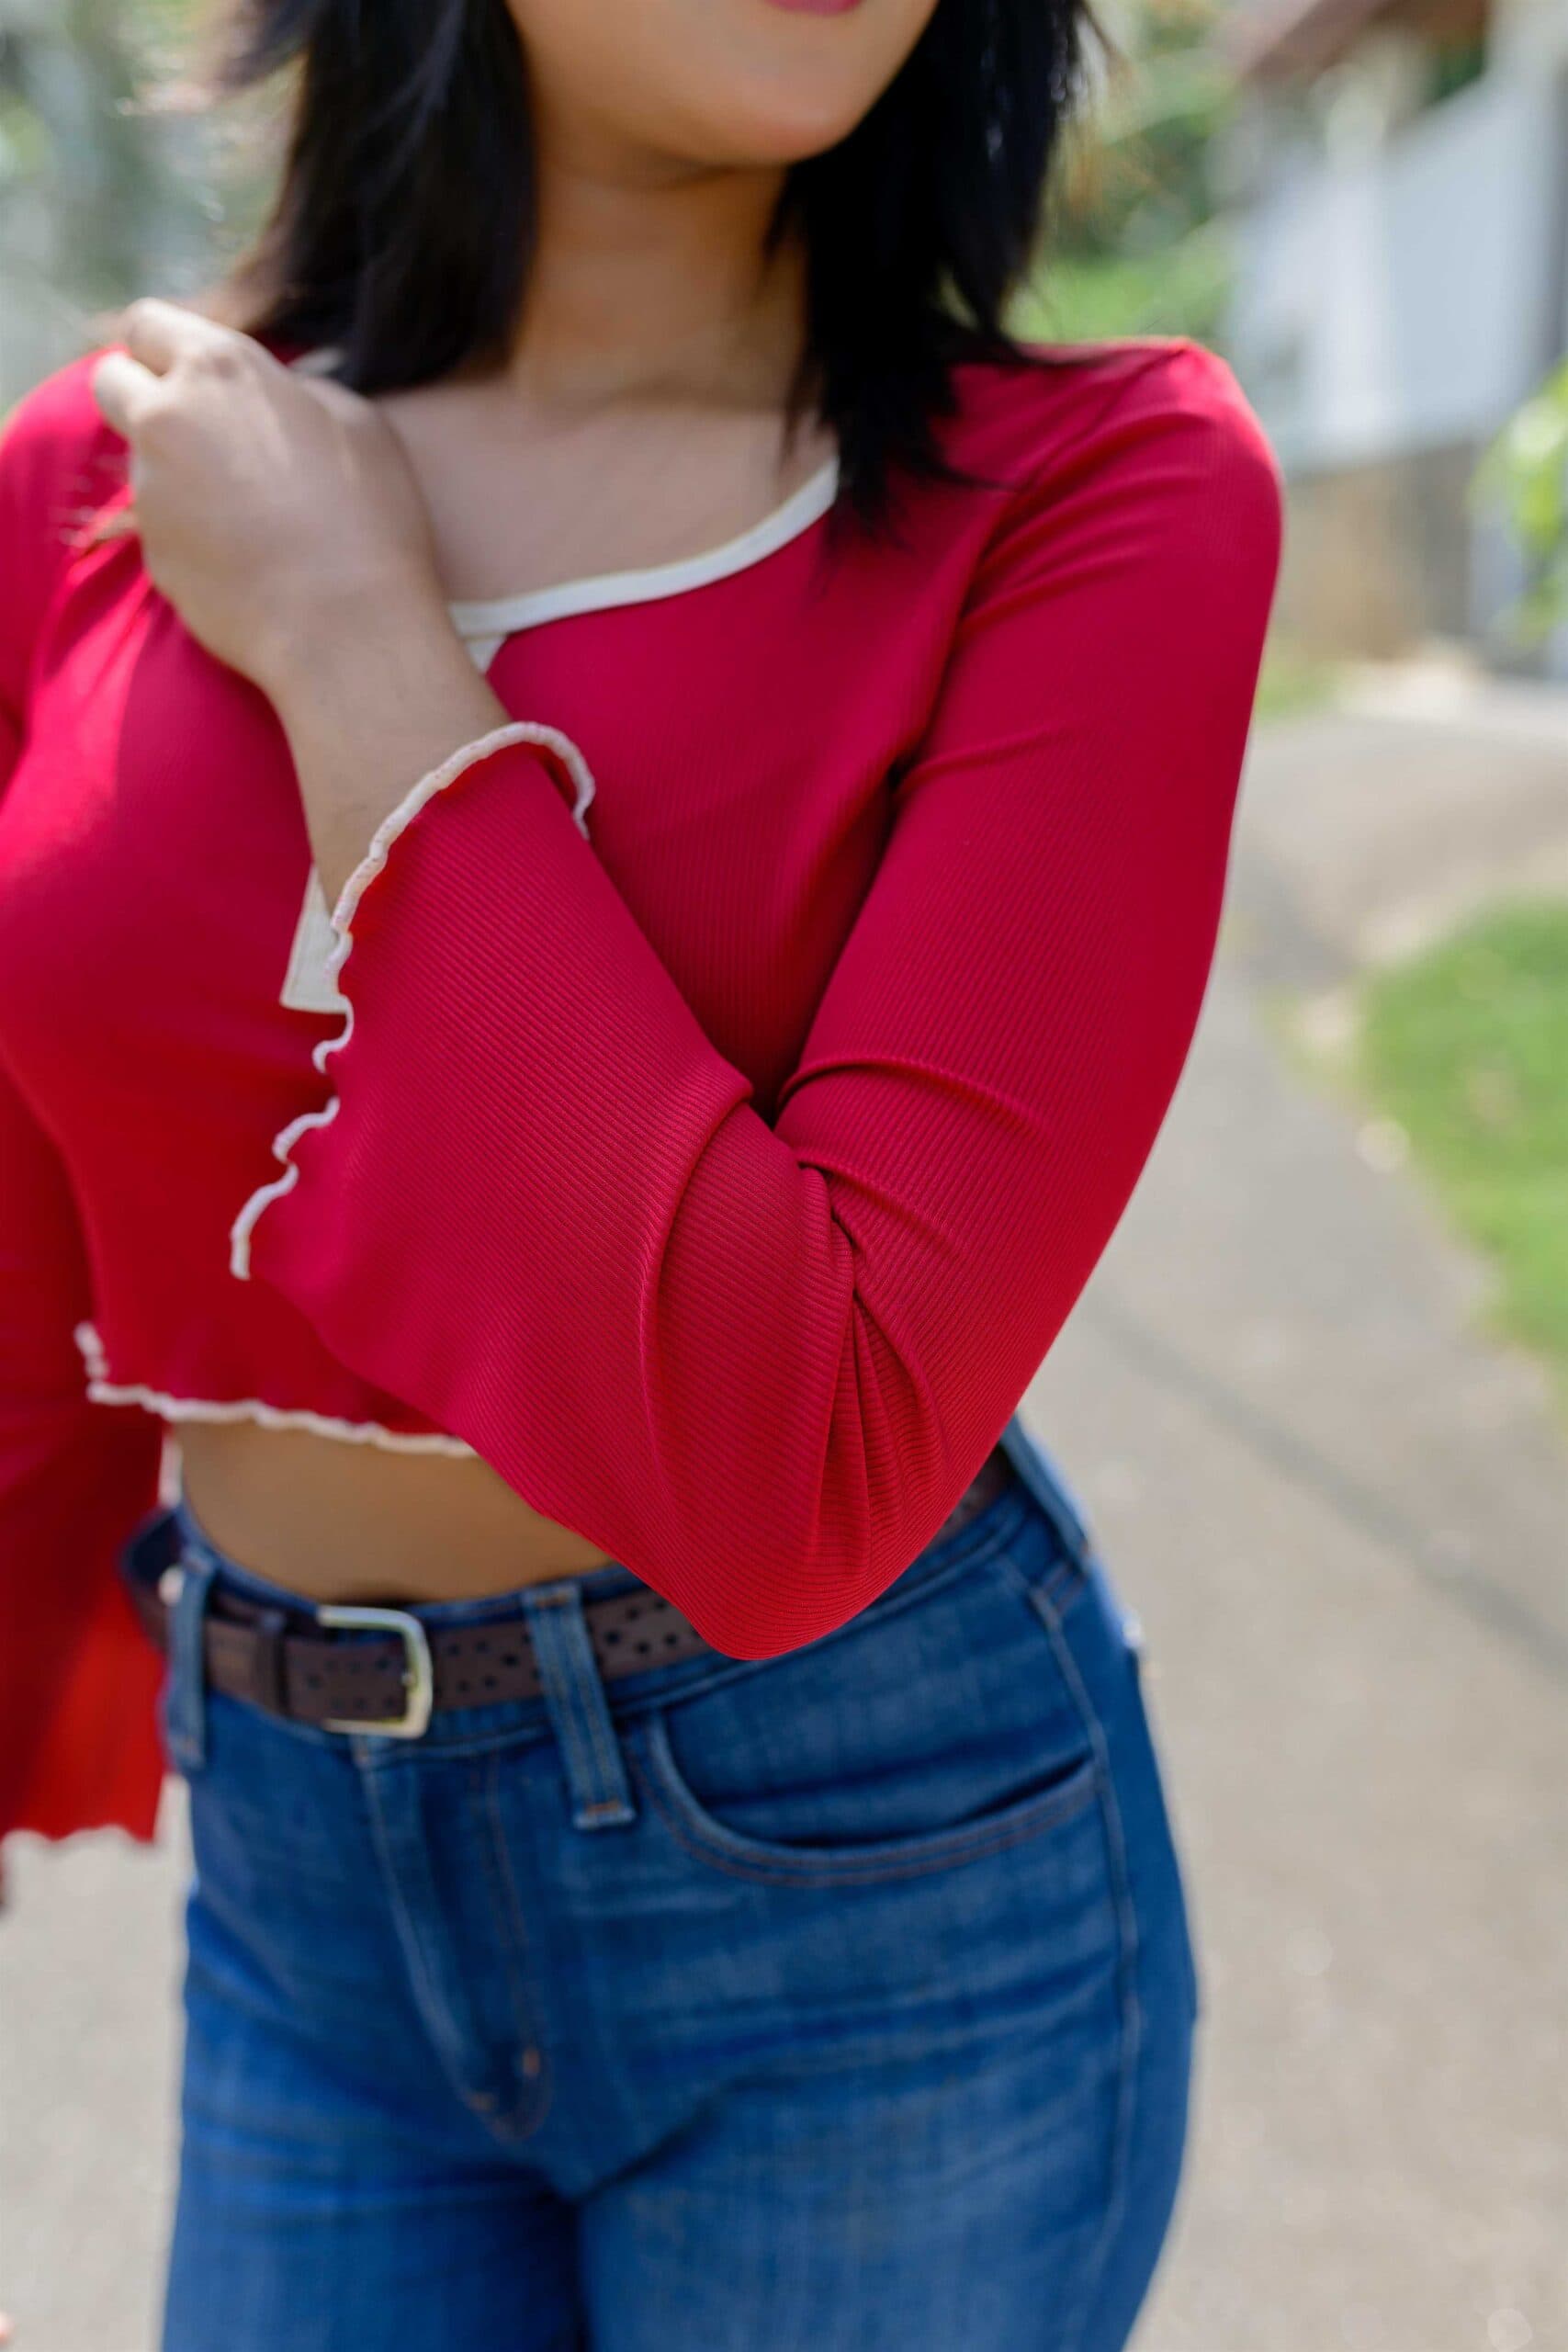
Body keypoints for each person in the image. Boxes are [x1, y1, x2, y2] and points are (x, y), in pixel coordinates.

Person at [0, 0, 1282, 2343]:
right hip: (296, 1872)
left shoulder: (1097, 496)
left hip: (864, 1876)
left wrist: (356, 638)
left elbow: (803, 1459)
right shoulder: (102, 470)